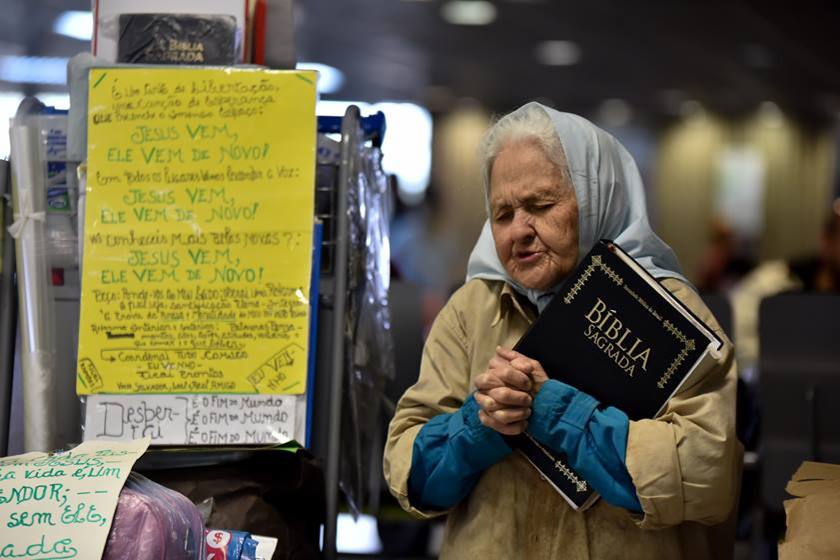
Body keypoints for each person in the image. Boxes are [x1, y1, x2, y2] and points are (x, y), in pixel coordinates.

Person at [383, 102, 740, 559]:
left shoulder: (669, 311)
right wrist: (478, 424)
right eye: (503, 213)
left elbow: (707, 477)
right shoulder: (472, 309)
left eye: (540, 205)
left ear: (596, 199)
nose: (520, 231)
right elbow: (407, 474)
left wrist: (561, 413)